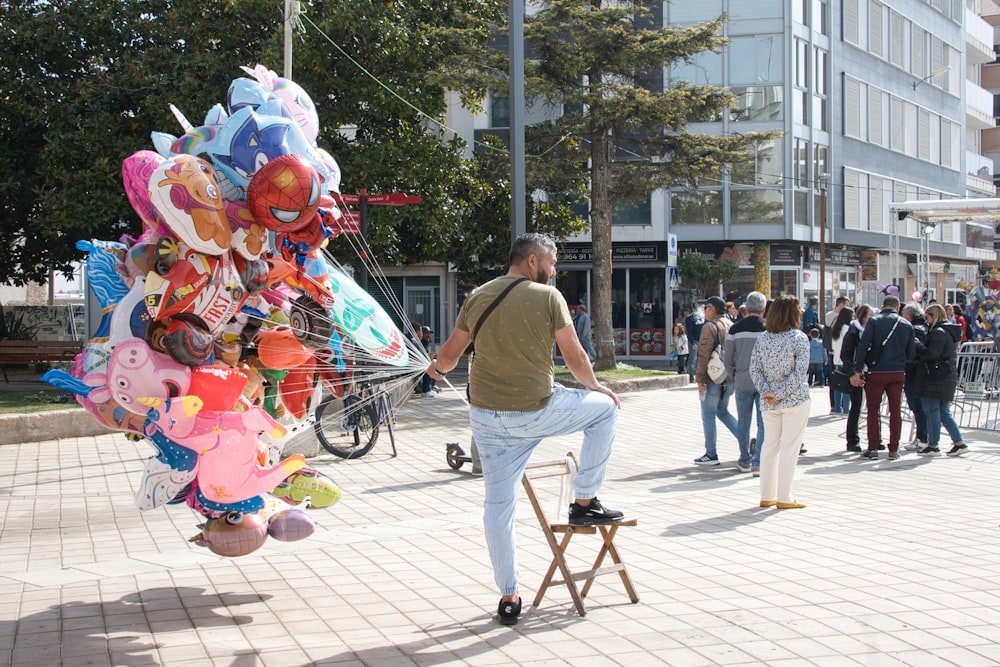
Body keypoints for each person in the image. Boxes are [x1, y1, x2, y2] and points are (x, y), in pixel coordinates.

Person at [426, 233, 623, 626]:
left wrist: (433, 370)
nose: (554, 270)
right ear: (532, 261)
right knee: (604, 411)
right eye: (551, 263)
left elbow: (448, 358)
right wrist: (597, 387)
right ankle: (584, 502)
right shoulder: (548, 296)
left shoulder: (477, 295)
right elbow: (576, 356)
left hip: (486, 418)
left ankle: (509, 594)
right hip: (536, 410)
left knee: (498, 509)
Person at [749, 295, 811, 509]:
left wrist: (767, 392)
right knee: (789, 448)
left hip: (768, 402)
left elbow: (754, 369)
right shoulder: (799, 338)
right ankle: (784, 496)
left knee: (769, 447)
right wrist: (780, 393)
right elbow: (800, 372)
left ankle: (767, 495)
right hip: (795, 400)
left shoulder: (763, 338)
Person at [851, 295, 915, 460]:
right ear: (898, 307)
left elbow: (864, 345)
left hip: (877, 371)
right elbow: (911, 353)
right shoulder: (906, 324)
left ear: (883, 305)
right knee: (896, 410)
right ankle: (894, 448)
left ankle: (873, 448)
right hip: (898, 371)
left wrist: (858, 368)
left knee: (873, 409)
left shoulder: (874, 321)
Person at [914, 303, 969, 457]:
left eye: (927, 317)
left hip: (936, 376)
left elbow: (932, 353)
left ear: (934, 316)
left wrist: (918, 346)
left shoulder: (938, 332)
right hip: (945, 375)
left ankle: (933, 445)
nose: (926, 321)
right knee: (943, 411)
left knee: (932, 410)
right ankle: (959, 442)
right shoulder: (948, 330)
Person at [724, 291, 766, 475]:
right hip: (765, 382)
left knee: (743, 421)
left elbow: (726, 358)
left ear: (746, 308)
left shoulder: (735, 328)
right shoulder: (769, 328)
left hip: (742, 379)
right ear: (763, 309)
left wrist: (734, 374)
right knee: (763, 423)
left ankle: (745, 459)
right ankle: (758, 461)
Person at [694, 296, 738, 465]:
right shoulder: (730, 325)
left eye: (705, 308)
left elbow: (703, 355)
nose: (704, 311)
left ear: (711, 309)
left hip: (713, 377)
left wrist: (700, 379)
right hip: (729, 377)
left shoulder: (710, 327)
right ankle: (746, 440)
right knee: (723, 411)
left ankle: (711, 453)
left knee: (708, 415)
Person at [840, 305, 873, 452]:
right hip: (856, 373)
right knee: (856, 406)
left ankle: (875, 439)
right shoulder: (853, 331)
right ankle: (852, 440)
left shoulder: (874, 330)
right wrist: (852, 373)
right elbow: (845, 355)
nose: (874, 319)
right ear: (864, 317)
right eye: (871, 316)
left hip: (872, 372)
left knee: (873, 406)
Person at [900, 303, 929, 450]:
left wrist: (905, 364)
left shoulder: (915, 330)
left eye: (904, 314)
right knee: (919, 408)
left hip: (915, 372)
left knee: (918, 407)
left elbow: (913, 352)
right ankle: (922, 437)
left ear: (909, 315)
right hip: (918, 371)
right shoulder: (923, 327)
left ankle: (922, 438)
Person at [829, 306, 854, 414]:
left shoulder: (836, 328)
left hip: (836, 359)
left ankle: (837, 408)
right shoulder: (848, 329)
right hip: (846, 359)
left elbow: (833, 346)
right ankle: (846, 409)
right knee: (846, 386)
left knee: (838, 385)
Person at [684, 305, 705, 383]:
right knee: (693, 359)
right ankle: (691, 377)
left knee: (702, 360)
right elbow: (689, 331)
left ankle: (700, 377)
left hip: (702, 341)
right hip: (695, 341)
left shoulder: (703, 317)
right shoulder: (690, 317)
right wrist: (692, 342)